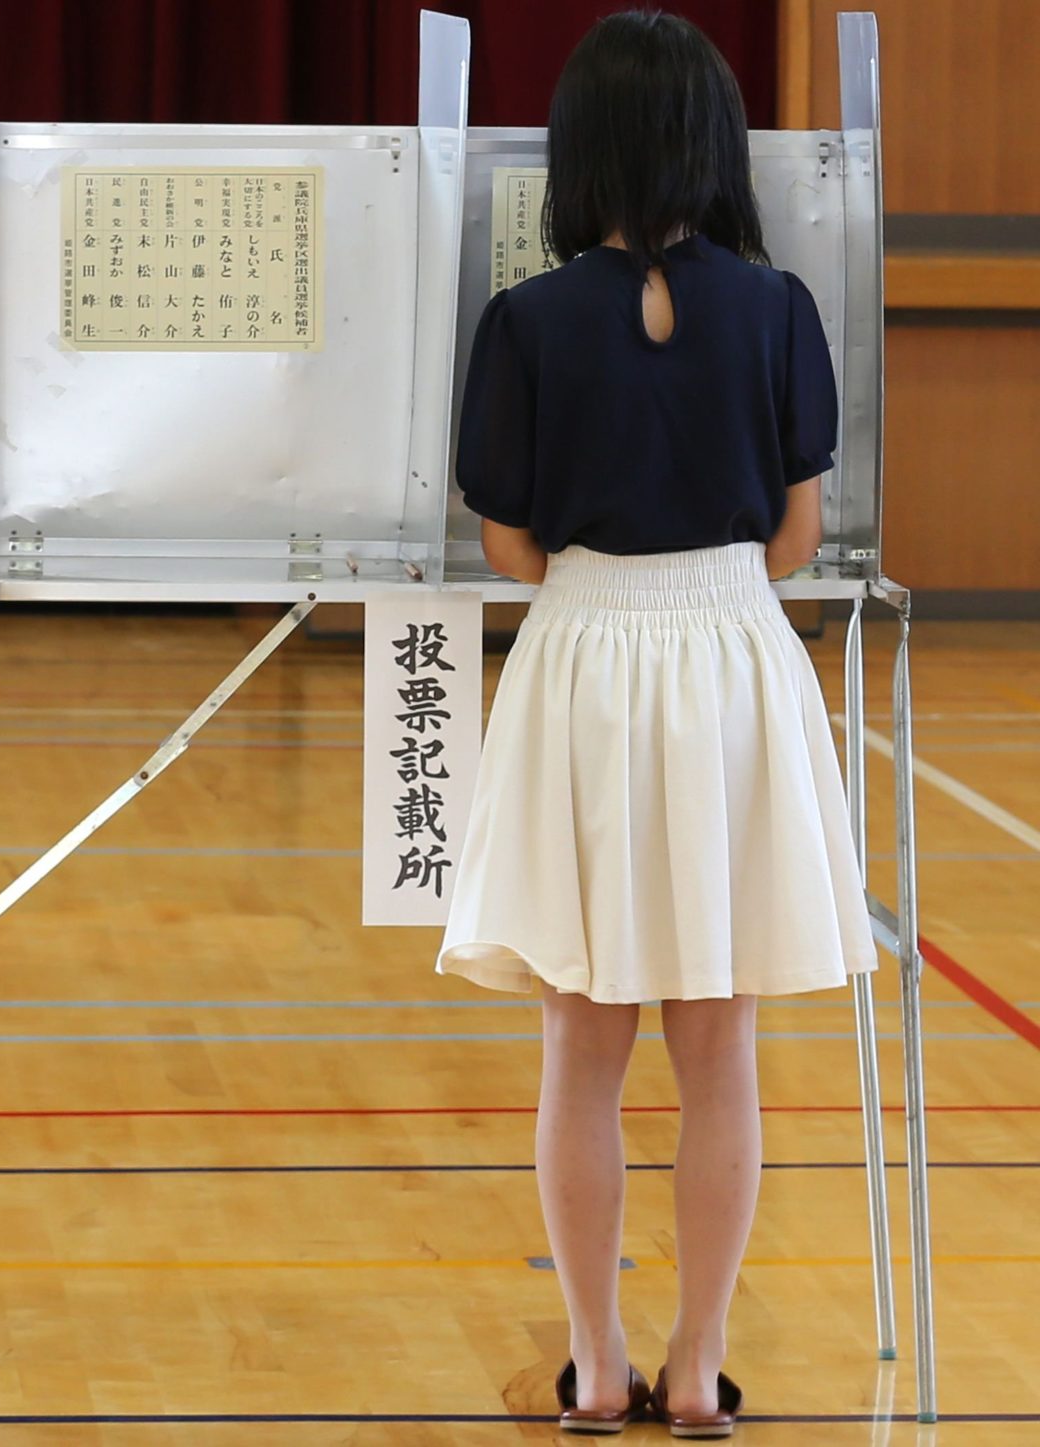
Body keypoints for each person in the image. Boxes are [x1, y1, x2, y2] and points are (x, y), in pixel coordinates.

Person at [436, 10, 877, 1438]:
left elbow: (508, 548)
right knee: (718, 1044)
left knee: (582, 1043)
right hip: (733, 657)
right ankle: (697, 1365)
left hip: (583, 657)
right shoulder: (778, 308)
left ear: (577, 151)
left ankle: (596, 1360)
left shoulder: (528, 319)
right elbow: (797, 540)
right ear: (713, 144)